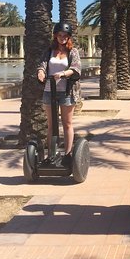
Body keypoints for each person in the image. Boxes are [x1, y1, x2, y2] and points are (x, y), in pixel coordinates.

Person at [36, 22, 81, 166]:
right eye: (59, 35)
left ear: (68, 37)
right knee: (51, 125)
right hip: (49, 91)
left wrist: (63, 73)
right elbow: (42, 65)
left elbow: (76, 68)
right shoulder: (49, 51)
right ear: (55, 36)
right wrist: (41, 73)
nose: (62, 38)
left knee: (67, 123)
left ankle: (68, 154)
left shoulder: (72, 52)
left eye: (65, 36)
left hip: (66, 92)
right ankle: (52, 154)